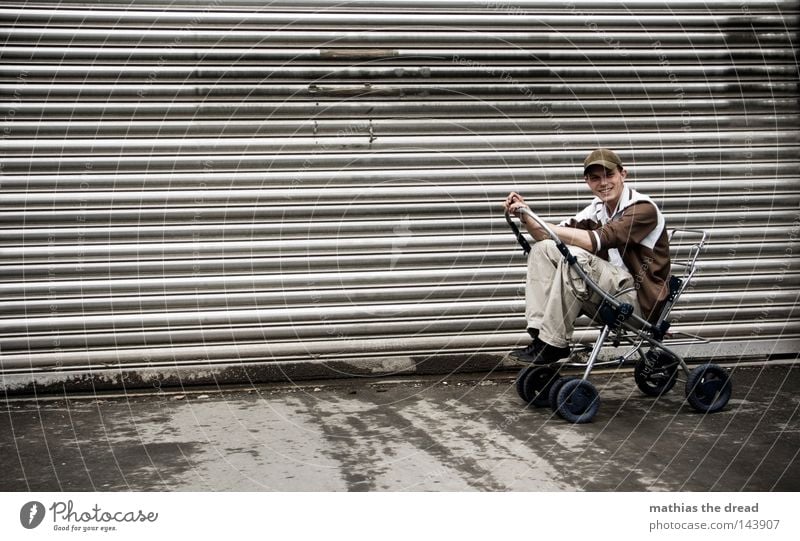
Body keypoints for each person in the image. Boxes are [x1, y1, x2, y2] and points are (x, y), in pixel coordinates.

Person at [503, 148, 671, 364]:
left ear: (623, 174)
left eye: (609, 175)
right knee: (542, 248)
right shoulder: (596, 209)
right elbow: (546, 235)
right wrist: (525, 215)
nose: (603, 183)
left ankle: (554, 343)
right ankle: (541, 336)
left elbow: (598, 239)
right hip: (610, 296)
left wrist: (546, 225)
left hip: (637, 303)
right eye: (595, 178)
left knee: (575, 257)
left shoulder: (643, 209)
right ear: (587, 181)